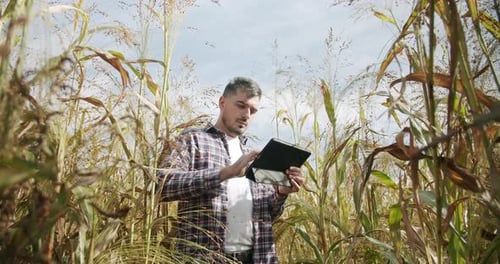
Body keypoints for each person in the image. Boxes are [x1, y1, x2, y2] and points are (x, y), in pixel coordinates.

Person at [157, 77, 305, 263]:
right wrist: (227, 172)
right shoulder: (193, 139)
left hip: (255, 257)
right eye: (241, 105)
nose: (246, 114)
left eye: (253, 110)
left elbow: (267, 215)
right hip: (205, 257)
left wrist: (282, 193)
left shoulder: (255, 156)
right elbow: (161, 185)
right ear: (222, 102)